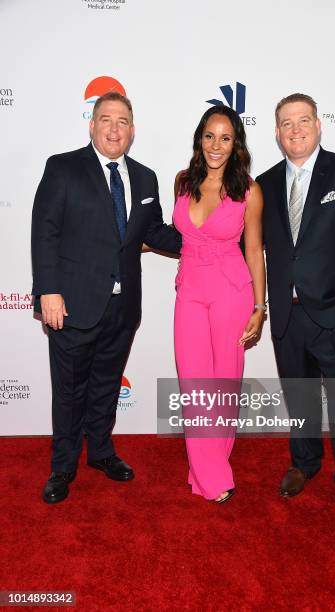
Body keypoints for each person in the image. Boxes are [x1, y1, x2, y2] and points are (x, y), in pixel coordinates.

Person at [32, 92, 181, 504]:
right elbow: (45, 232)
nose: (115, 128)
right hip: (72, 303)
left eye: (123, 121)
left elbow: (155, 233)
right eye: (106, 119)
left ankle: (100, 452)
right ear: (92, 125)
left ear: (133, 130)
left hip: (122, 307)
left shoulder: (146, 177)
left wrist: (207, 241)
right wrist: (48, 290)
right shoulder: (63, 168)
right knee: (69, 391)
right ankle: (62, 467)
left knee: (104, 386)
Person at [256, 93, 335, 523]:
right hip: (288, 316)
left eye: (303, 120)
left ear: (318, 124)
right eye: (286, 123)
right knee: (300, 396)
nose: (295, 129)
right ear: (276, 132)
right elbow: (249, 247)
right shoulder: (264, 184)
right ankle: (304, 462)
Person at [173, 106, 265, 503]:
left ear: (236, 143)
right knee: (195, 387)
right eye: (210, 136)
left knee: (224, 385)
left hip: (231, 289)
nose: (216, 145)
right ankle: (212, 473)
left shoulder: (249, 189)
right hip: (190, 289)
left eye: (226, 138)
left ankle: (207, 473)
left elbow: (255, 248)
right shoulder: (181, 182)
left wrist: (260, 308)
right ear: (199, 138)